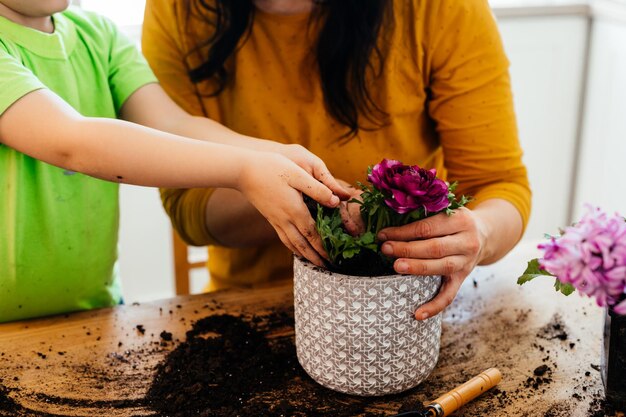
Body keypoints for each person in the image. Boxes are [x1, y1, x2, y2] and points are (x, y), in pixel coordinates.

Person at [142, 0, 532, 320]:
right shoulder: (178, 11)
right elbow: (189, 208)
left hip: (406, 309)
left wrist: (478, 233)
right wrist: (308, 199)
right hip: (251, 311)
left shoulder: (440, 10)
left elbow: (500, 186)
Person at [0, 0, 350, 323]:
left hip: (95, 312)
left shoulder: (99, 37)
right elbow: (72, 142)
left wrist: (270, 155)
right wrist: (244, 170)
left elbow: (173, 124)